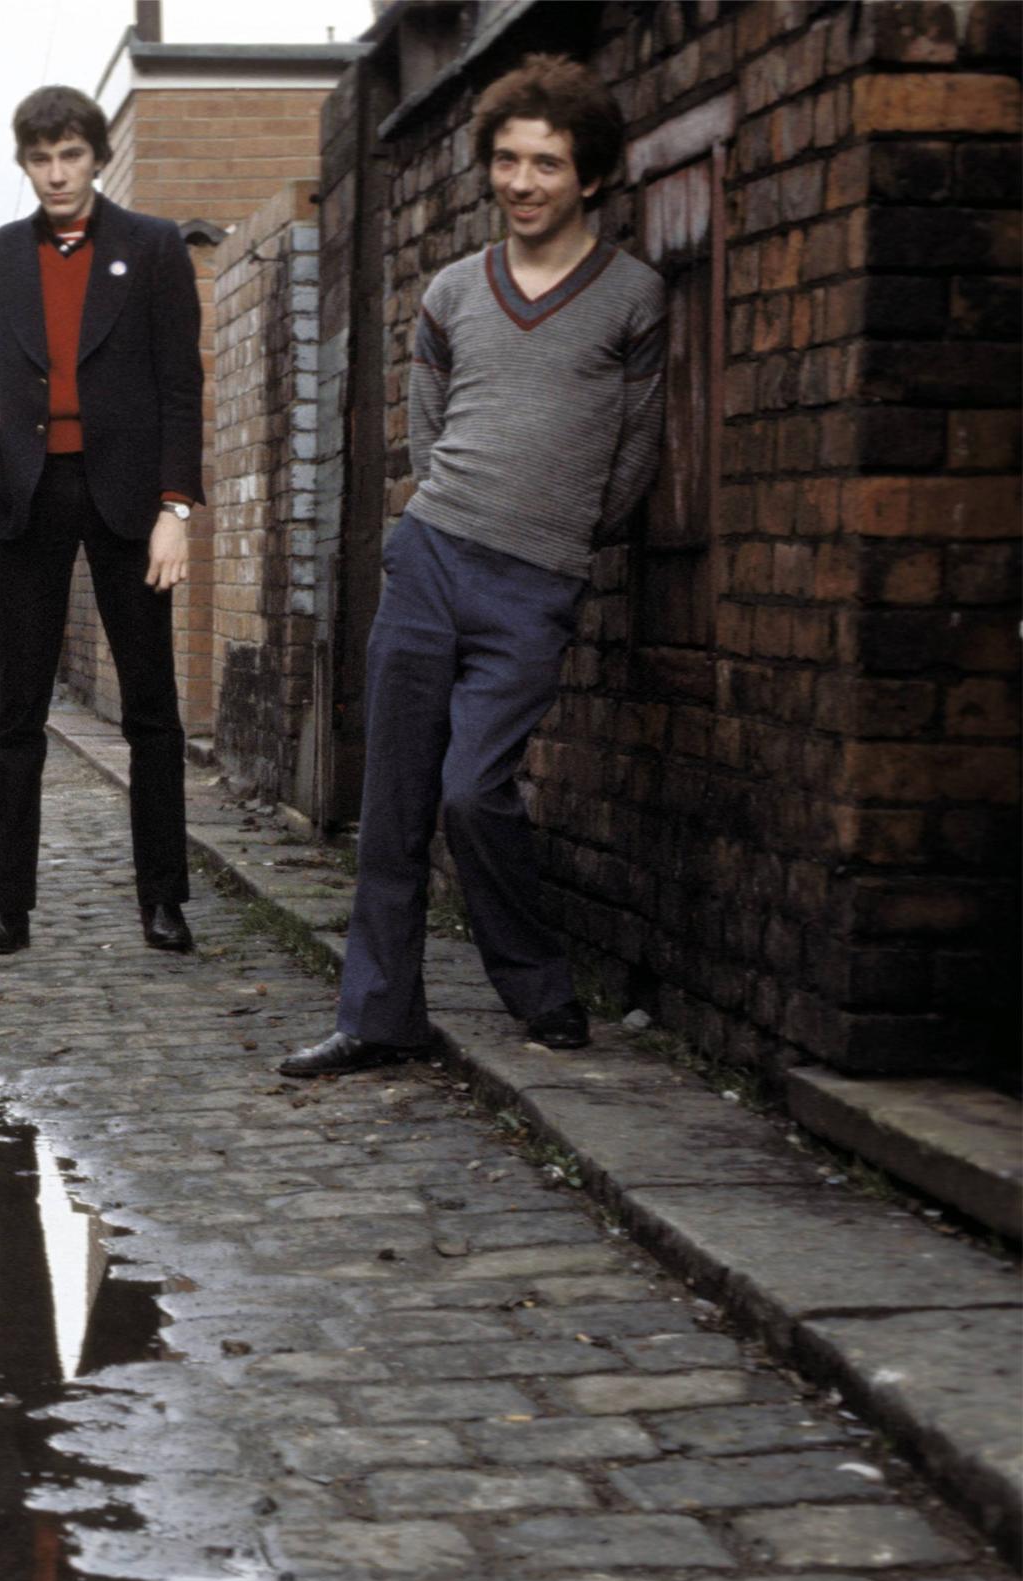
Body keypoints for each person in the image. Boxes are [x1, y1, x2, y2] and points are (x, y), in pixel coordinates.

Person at [282, 55, 665, 1078]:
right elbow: (426, 427)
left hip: (534, 580)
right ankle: (377, 1015)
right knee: (395, 802)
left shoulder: (632, 296)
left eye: (546, 162)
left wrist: (563, 545)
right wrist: (433, 525)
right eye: (506, 160)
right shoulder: (453, 290)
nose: (523, 182)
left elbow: (631, 454)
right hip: (431, 557)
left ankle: (536, 982)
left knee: (470, 789)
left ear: (588, 176)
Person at [0, 86, 205, 960]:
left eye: (70, 155)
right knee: (17, 709)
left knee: (152, 712)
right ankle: (6, 910)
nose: (56, 174)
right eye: (39, 158)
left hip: (131, 499)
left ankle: (164, 903)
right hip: (32, 491)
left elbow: (181, 385)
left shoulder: (155, 246)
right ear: (24, 164)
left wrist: (177, 508)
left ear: (96, 156)